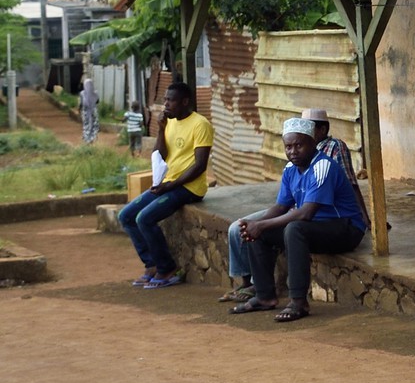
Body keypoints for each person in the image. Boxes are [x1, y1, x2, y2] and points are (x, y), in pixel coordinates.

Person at [228, 117, 368, 322]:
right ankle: (264, 296)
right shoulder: (290, 169)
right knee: (261, 232)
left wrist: (261, 224)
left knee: (294, 228)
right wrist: (255, 226)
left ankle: (298, 302)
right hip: (315, 227)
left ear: (312, 142)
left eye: (298, 145)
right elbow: (281, 207)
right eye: (288, 147)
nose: (293, 151)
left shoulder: (323, 166)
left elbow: (306, 213)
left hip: (346, 229)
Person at [118, 81, 212, 289]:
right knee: (126, 216)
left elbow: (200, 165)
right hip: (168, 183)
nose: (166, 104)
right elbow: (160, 154)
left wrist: (170, 186)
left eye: (171, 100)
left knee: (144, 218)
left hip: (189, 188)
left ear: (185, 102)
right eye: (165, 100)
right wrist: (161, 130)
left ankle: (167, 268)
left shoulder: (200, 124)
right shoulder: (169, 122)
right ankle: (151, 265)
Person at [302, 107, 370, 228]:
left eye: (309, 129)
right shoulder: (305, 149)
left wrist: (365, 220)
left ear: (323, 130)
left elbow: (351, 183)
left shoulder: (335, 146)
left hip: (330, 212)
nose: (304, 133)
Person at [79, 76, 98, 144]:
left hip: (85, 111)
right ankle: (91, 139)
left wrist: (79, 110)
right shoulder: (95, 93)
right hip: (93, 111)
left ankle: (87, 139)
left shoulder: (82, 93)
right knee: (93, 124)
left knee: (86, 125)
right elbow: (97, 101)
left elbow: (81, 103)